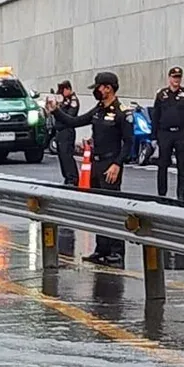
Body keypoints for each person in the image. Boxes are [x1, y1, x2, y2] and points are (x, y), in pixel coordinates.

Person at [52, 71, 131, 265]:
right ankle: (101, 249)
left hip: (110, 164)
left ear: (108, 88)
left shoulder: (122, 111)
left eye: (98, 87)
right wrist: (55, 111)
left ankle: (116, 251)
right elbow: (75, 122)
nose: (96, 91)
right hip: (96, 164)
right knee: (98, 209)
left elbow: (129, 143)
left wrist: (117, 164)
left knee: (112, 209)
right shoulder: (98, 109)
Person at [152, 65, 184, 201]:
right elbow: (155, 116)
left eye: (179, 77)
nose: (176, 80)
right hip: (165, 134)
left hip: (181, 133)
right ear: (169, 78)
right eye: (174, 77)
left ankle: (181, 195)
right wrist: (153, 136)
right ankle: (162, 194)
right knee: (163, 164)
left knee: (182, 165)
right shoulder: (161, 95)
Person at [51, 81, 81, 187]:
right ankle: (66, 177)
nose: (61, 93)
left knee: (67, 155)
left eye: (62, 90)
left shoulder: (73, 101)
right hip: (60, 131)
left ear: (68, 89)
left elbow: (70, 116)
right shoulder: (64, 100)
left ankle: (73, 178)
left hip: (67, 131)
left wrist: (59, 109)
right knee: (61, 155)